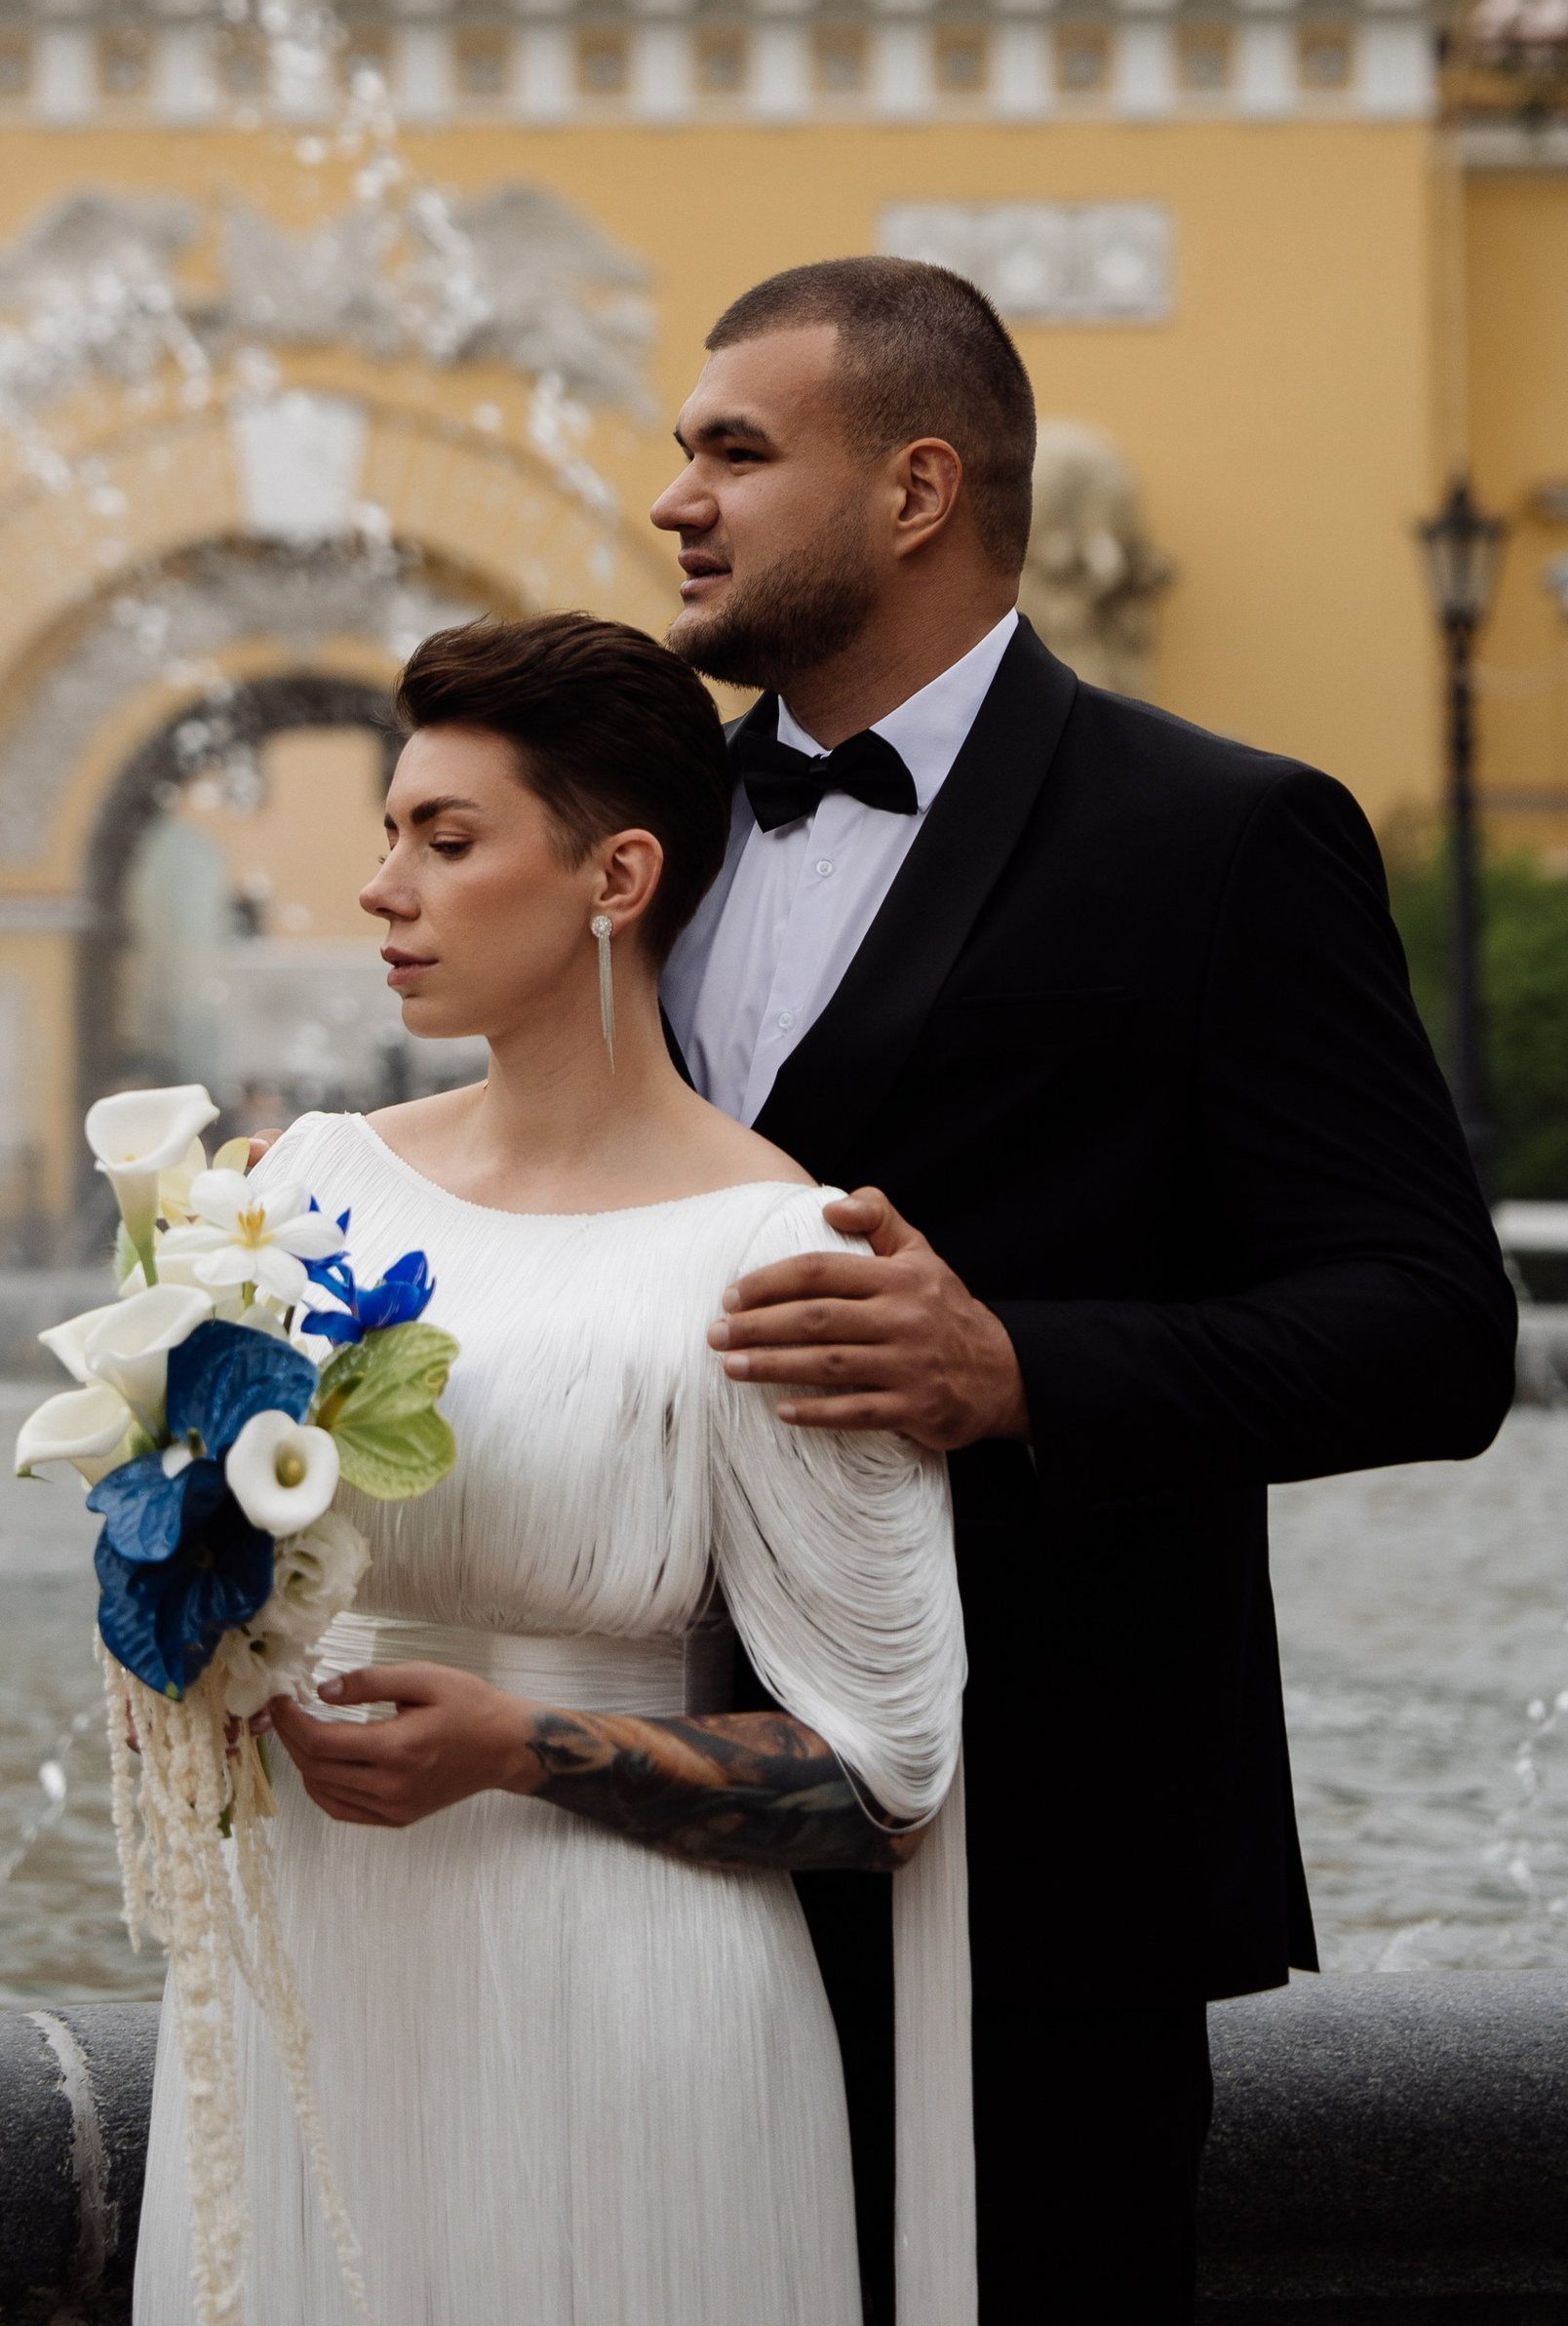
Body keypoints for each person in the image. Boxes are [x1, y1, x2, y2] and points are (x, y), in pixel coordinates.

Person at [647, 255, 1518, 2324]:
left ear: (916, 487)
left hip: (1037, 1870)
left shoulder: (1218, 839)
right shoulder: (637, 834)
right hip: (632, 1841)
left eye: (732, 453)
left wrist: (1012, 1368)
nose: (675, 498)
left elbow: (1430, 1329)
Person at [136, 610, 978, 2326]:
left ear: (617, 878)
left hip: (628, 2016)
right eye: (389, 835)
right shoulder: (296, 1185)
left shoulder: (775, 1250)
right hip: (313, 1976)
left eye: (447, 842)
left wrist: (523, 1745)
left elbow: (882, 1779)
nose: (385, 888)